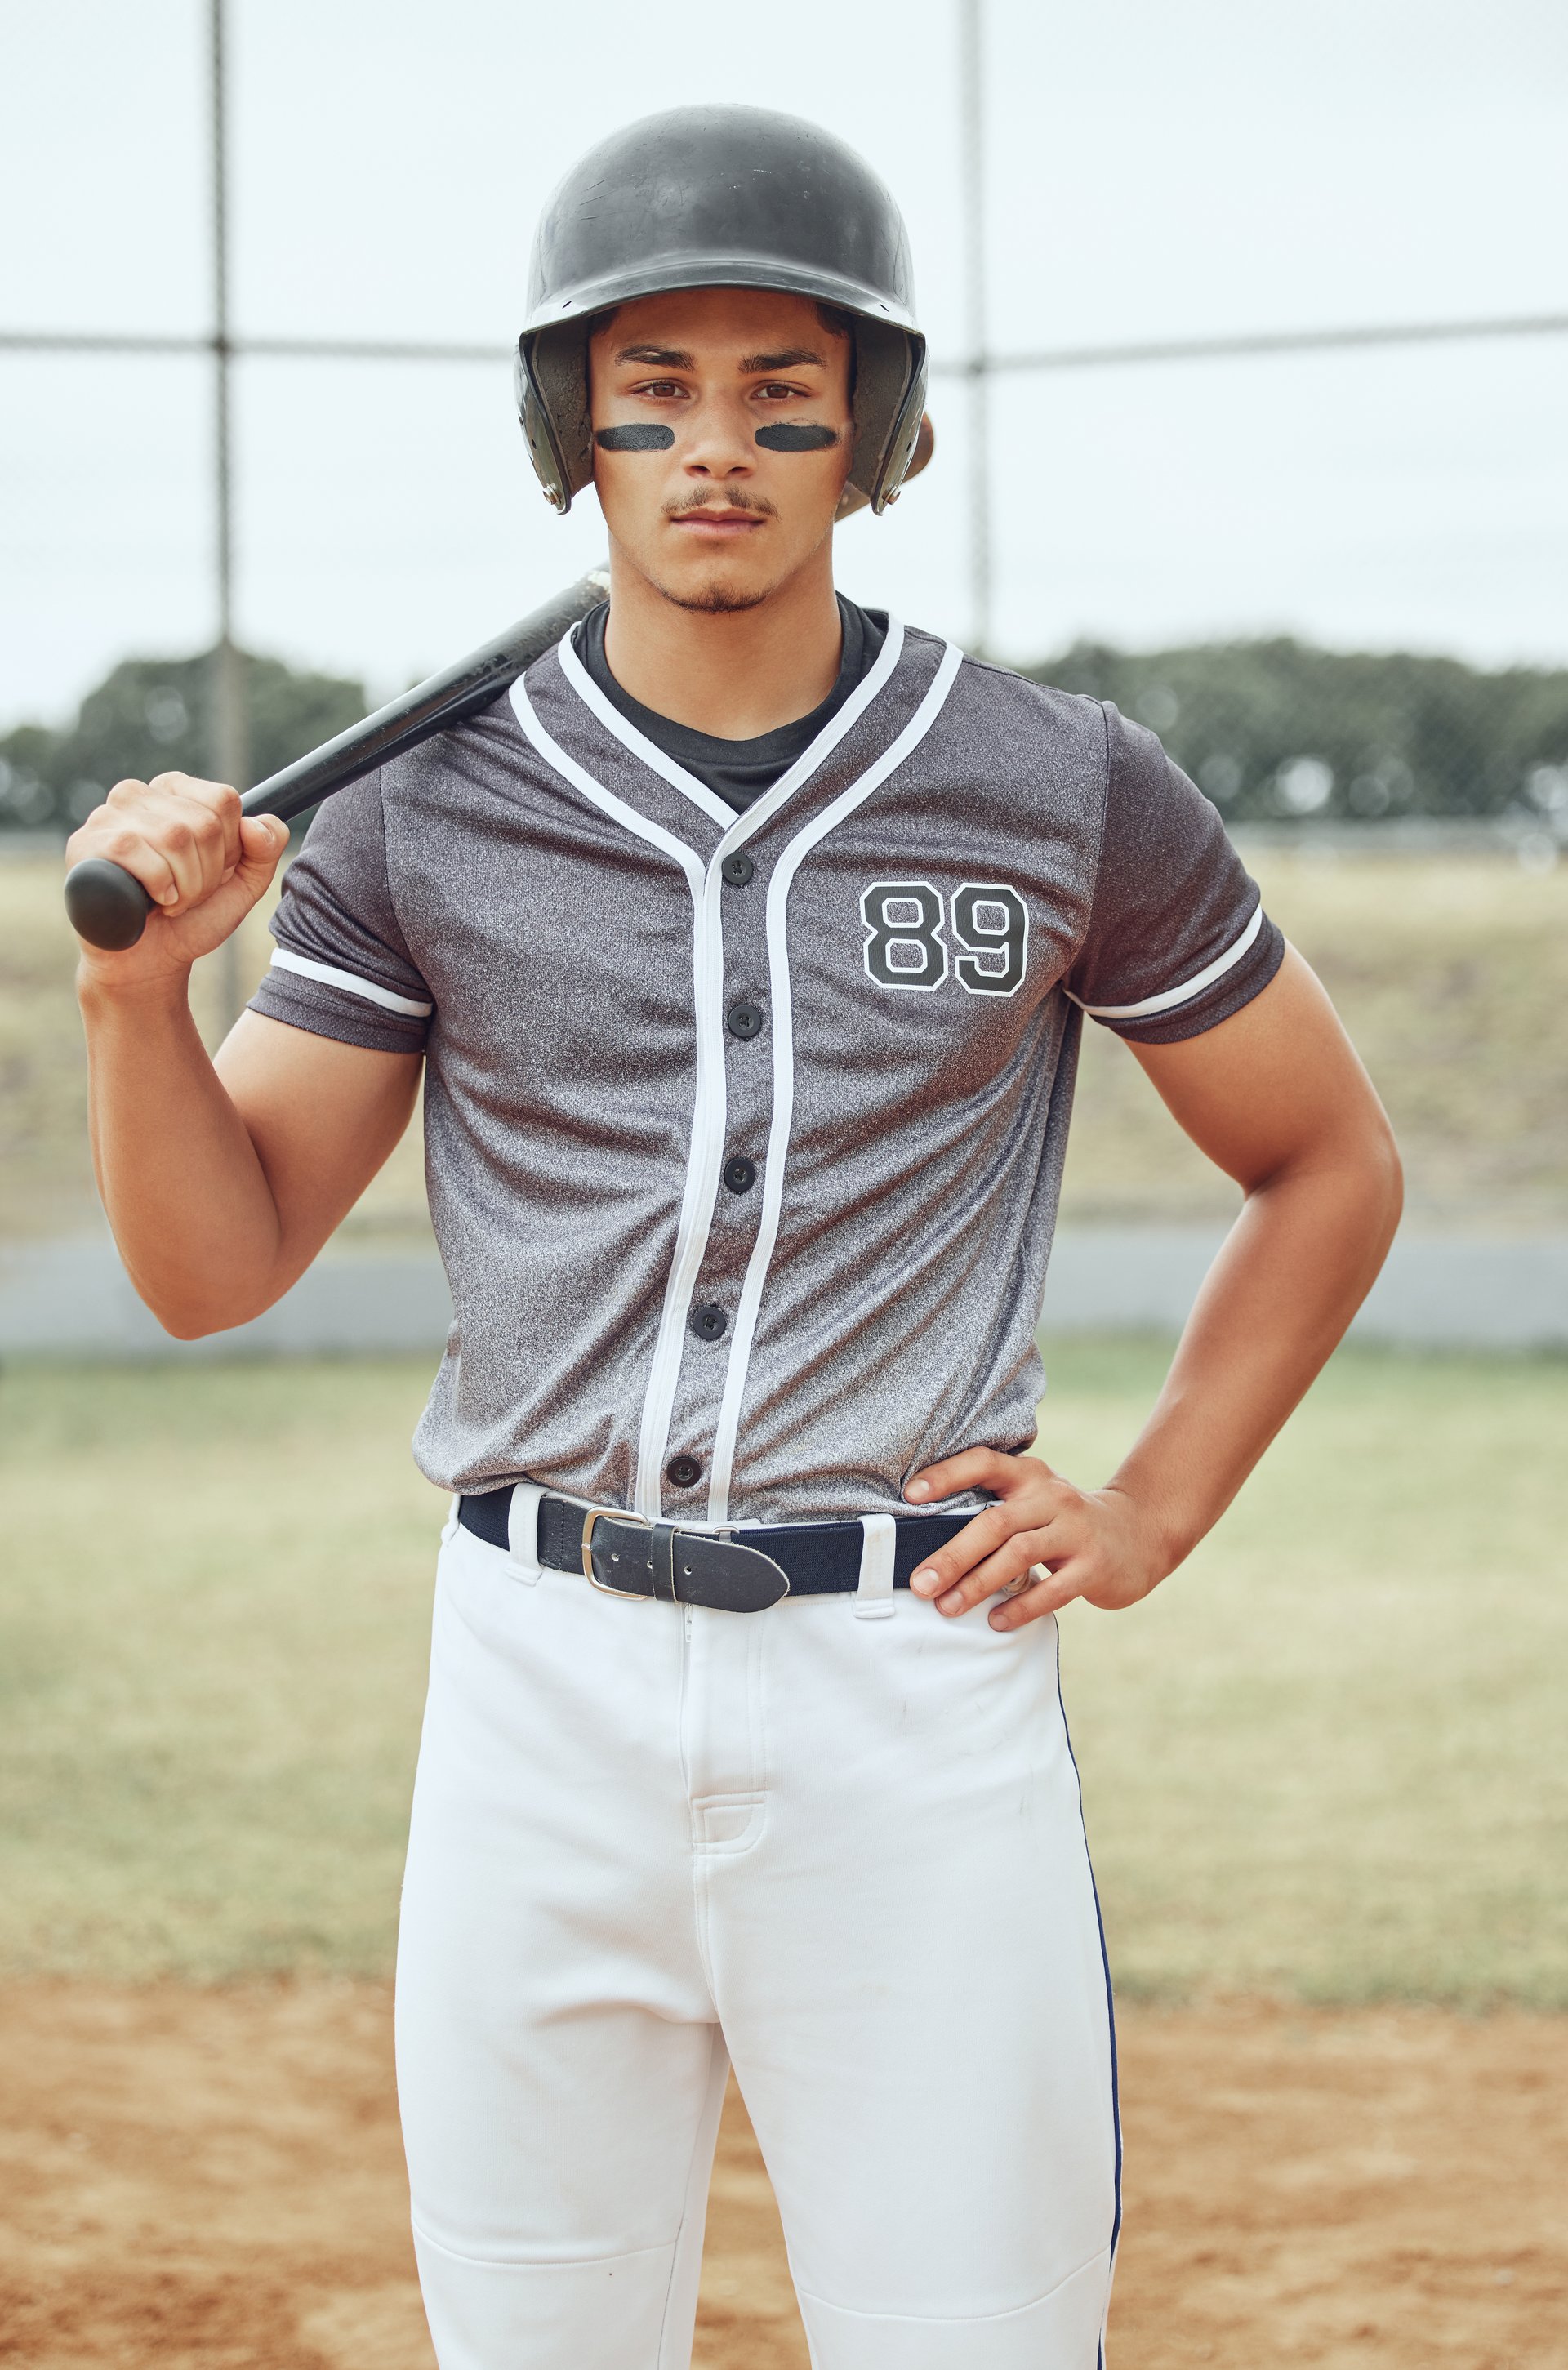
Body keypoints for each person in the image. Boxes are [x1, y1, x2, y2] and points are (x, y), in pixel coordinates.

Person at [66, 107, 1401, 2370]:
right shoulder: (429, 807)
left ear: (868, 438)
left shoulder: (1060, 782)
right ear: (570, 435)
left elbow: (1329, 1157)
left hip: (907, 1682)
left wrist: (1159, 1503)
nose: (716, 450)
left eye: (784, 398)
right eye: (653, 392)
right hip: (533, 1678)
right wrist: (134, 1000)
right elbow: (217, 1265)